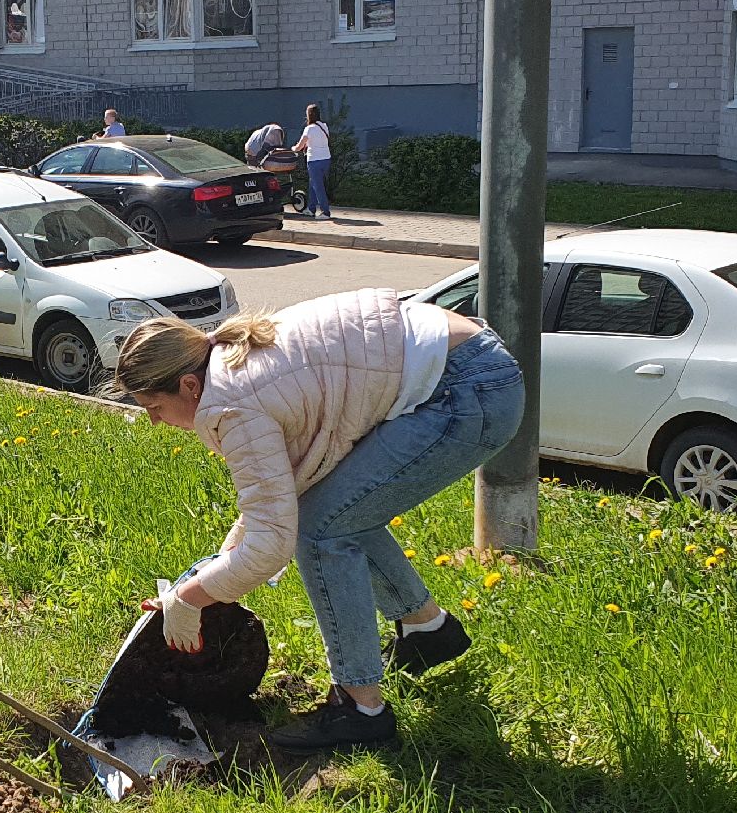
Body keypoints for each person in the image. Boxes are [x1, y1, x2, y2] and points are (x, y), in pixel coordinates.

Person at [116, 289, 525, 752]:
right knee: (341, 511)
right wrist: (227, 554)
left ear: (189, 386)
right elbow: (282, 492)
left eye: (154, 407)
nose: (152, 421)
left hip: (466, 393)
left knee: (322, 530)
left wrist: (190, 599)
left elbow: (275, 544)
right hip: (470, 367)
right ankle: (428, 631)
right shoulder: (228, 360)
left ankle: (360, 708)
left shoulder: (231, 403)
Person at [293, 103, 334, 220]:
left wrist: (293, 149)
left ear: (309, 115)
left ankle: (325, 212)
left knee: (318, 186)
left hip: (314, 160)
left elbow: (300, 146)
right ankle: (311, 209)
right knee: (313, 183)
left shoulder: (309, 129)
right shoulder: (324, 126)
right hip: (326, 159)